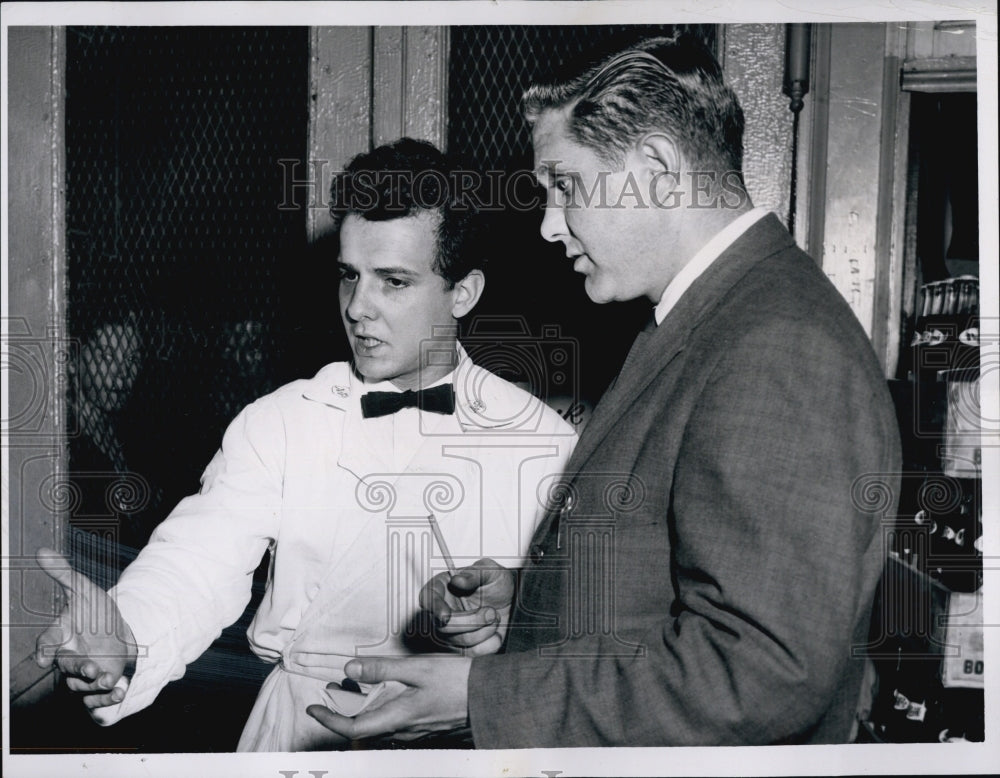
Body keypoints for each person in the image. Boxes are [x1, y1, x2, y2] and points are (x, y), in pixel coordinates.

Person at [307, 35, 902, 746]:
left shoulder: (776, 344)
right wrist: (530, 604)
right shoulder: (712, 316)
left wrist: (484, 694)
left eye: (566, 187)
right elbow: (674, 582)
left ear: (654, 168)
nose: (550, 226)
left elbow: (763, 671)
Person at [34, 138, 576, 751]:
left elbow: (585, 647)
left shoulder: (547, 445)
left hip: (459, 746)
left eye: (393, 281)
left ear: (464, 292)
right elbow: (194, 564)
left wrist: (505, 628)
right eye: (349, 276)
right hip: (297, 735)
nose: (358, 308)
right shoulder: (283, 421)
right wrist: (127, 638)